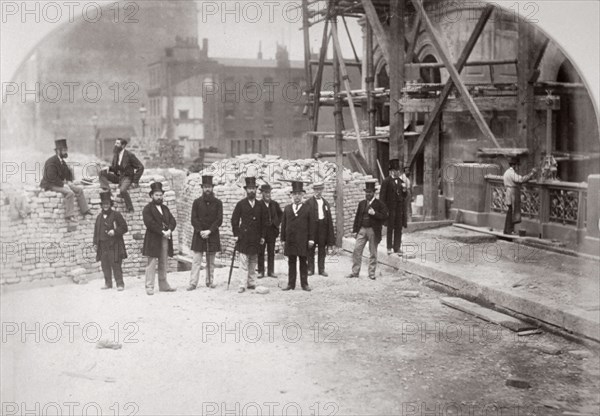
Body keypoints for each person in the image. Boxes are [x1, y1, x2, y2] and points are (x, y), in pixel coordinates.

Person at [40, 138, 92, 222]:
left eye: (66, 150)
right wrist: (63, 184)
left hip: (58, 183)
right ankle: (69, 215)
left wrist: (69, 181)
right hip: (50, 184)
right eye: (63, 150)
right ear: (58, 151)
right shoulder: (51, 161)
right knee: (69, 193)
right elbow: (51, 177)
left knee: (78, 190)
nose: (65, 152)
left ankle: (85, 210)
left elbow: (67, 174)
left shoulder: (62, 161)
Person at [231, 177, 267, 293]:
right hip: (244, 237)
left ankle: (251, 282)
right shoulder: (240, 204)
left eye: (253, 189)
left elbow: (264, 222)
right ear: (246, 190)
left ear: (256, 190)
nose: (251, 191)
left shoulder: (260, 205)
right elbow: (234, 220)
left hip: (256, 238)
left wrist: (262, 236)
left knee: (253, 261)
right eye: (249, 189)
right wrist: (236, 234)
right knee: (243, 262)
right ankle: (242, 284)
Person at [346, 180, 388, 280]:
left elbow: (385, 216)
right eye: (366, 192)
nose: (367, 194)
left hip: (373, 231)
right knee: (357, 250)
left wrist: (375, 214)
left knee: (373, 252)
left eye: (369, 192)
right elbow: (357, 217)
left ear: (374, 193)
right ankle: (355, 272)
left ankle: (371, 273)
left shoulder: (379, 204)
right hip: (362, 230)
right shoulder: (362, 203)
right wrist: (355, 230)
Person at [188, 175, 222, 290]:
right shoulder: (196, 202)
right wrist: (201, 231)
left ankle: (209, 281)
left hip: (212, 235)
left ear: (212, 188)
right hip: (199, 235)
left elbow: (219, 219)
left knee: (211, 261)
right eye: (205, 187)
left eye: (209, 187)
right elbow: (194, 219)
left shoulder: (218, 203)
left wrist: (209, 231)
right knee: (196, 261)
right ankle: (193, 283)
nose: (207, 189)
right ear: (202, 188)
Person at [142, 182, 177, 295]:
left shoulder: (165, 208)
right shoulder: (147, 209)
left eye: (161, 195)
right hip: (153, 239)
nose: (159, 197)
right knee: (151, 263)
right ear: (152, 196)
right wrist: (162, 232)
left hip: (165, 238)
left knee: (163, 262)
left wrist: (169, 231)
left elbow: (172, 221)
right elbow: (150, 223)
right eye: (157, 195)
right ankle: (149, 286)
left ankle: (163, 285)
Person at [280, 181, 315, 292]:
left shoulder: (308, 208)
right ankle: (291, 284)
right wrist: (283, 239)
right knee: (291, 262)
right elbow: (284, 225)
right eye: (295, 194)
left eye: (299, 194)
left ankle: (304, 284)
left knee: (303, 262)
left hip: (303, 240)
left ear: (302, 195)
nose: (297, 197)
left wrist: (311, 239)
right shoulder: (287, 208)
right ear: (292, 195)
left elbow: (312, 225)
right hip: (290, 241)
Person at [93, 191, 128, 291]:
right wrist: (95, 243)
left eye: (107, 204)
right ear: (101, 205)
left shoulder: (116, 215)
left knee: (116, 264)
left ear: (110, 204)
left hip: (115, 244)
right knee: (105, 265)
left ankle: (120, 284)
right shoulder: (99, 217)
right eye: (104, 204)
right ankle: (108, 283)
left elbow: (124, 227)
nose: (105, 206)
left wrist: (115, 231)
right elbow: (96, 232)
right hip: (103, 245)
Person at [99, 138, 144, 212]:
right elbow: (114, 168)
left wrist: (135, 181)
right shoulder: (116, 154)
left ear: (123, 146)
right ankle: (108, 191)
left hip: (127, 177)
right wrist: (109, 168)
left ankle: (130, 208)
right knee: (101, 173)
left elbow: (140, 167)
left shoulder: (130, 155)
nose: (115, 145)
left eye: (117, 143)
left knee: (122, 190)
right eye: (115, 143)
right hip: (118, 177)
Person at [306, 182, 335, 277]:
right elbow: (305, 219)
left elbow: (329, 220)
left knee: (322, 250)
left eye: (320, 189)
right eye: (316, 190)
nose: (318, 192)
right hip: (312, 228)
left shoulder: (325, 203)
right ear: (313, 190)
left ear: (322, 190)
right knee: (311, 249)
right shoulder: (308, 202)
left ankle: (321, 269)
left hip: (323, 228)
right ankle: (310, 269)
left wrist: (330, 236)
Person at [503, 157, 537, 235]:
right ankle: (508, 230)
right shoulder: (511, 173)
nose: (517, 167)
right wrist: (531, 173)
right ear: (514, 165)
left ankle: (507, 230)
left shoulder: (507, 172)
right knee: (511, 212)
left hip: (509, 192)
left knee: (510, 211)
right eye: (517, 166)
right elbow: (521, 179)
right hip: (512, 193)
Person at [379, 158, 407, 255]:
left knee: (398, 228)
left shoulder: (401, 181)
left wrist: (404, 191)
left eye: (399, 170)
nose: (398, 172)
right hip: (390, 209)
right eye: (396, 170)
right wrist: (384, 210)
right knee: (390, 228)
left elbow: (404, 196)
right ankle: (389, 247)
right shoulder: (386, 181)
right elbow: (382, 197)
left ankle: (397, 247)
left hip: (399, 209)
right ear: (392, 171)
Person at [257, 183, 283, 279]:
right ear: (262, 193)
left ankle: (271, 271)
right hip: (262, 233)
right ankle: (260, 271)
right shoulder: (258, 204)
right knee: (260, 252)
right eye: (265, 192)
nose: (268, 194)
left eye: (269, 192)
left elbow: (281, 215)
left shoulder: (274, 204)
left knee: (271, 252)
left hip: (272, 232)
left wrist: (276, 223)